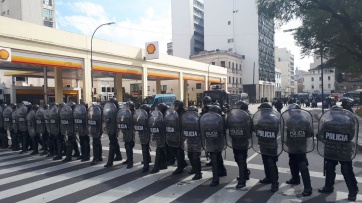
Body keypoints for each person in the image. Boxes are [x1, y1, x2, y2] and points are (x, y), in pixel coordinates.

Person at [318, 103, 359, 201]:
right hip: (332, 149)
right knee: (329, 167)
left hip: (343, 150)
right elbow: (321, 135)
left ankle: (353, 191)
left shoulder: (348, 124)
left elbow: (351, 136)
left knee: (346, 169)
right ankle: (328, 186)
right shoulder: (327, 124)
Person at [283, 104, 313, 196]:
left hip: (300, 146)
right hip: (292, 145)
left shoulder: (304, 121)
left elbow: (310, 134)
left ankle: (308, 188)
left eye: (291, 111)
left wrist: (298, 134)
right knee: (292, 162)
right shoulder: (289, 121)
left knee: (302, 166)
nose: (290, 113)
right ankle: (295, 178)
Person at [253, 103, 280, 192]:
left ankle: (274, 183)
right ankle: (269, 177)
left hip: (269, 144)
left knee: (270, 162)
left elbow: (256, 128)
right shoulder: (273, 118)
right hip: (266, 143)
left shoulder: (267, 119)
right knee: (267, 161)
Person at [229, 101, 251, 188]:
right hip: (235, 139)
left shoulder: (248, 117)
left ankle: (242, 180)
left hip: (242, 140)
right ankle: (245, 174)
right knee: (238, 159)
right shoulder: (236, 116)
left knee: (241, 159)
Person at [169, 100, 188, 175]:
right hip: (174, 134)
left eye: (176, 106)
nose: (174, 107)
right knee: (173, 149)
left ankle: (180, 167)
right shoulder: (174, 113)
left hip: (181, 134)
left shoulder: (184, 113)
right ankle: (182, 162)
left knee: (179, 150)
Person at [150, 103, 169, 174]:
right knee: (162, 150)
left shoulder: (164, 117)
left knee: (159, 151)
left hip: (162, 136)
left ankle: (156, 167)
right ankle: (164, 164)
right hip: (162, 136)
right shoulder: (163, 117)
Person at [104, 98, 123, 167]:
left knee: (112, 144)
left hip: (114, 129)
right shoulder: (111, 111)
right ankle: (118, 156)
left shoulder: (118, 111)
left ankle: (110, 161)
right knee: (114, 142)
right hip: (111, 128)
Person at [121, 101, 136, 169]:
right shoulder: (126, 112)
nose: (126, 107)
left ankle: (130, 162)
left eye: (128, 106)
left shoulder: (133, 113)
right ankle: (128, 159)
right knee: (126, 145)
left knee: (129, 146)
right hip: (126, 131)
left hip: (131, 132)